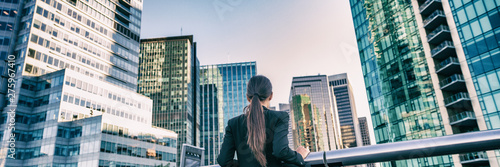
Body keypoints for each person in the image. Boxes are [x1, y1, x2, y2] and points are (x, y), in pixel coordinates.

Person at [217, 75, 310, 167]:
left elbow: (224, 160)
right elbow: (280, 151)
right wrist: (299, 156)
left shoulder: (233, 124)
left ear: (247, 97)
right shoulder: (280, 117)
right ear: (271, 96)